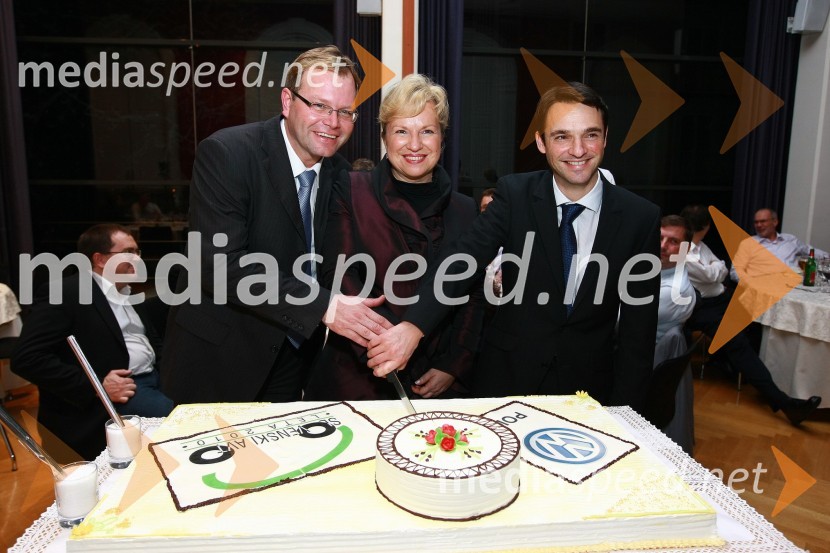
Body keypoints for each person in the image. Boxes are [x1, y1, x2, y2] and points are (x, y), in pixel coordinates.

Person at [366, 82, 661, 411]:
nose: (578, 150)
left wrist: (625, 417)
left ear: (605, 138)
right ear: (541, 142)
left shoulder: (641, 218)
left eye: (590, 135)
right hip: (505, 385)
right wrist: (414, 325)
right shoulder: (514, 195)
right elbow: (462, 262)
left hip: (590, 395)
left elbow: (639, 337)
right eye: (562, 136)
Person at [161, 46, 391, 404]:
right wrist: (324, 307)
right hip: (220, 357)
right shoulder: (228, 153)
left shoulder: (341, 175)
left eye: (345, 111)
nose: (332, 122)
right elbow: (218, 265)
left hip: (293, 353)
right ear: (287, 101)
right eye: (319, 105)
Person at [305, 75, 483, 401]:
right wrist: (390, 347)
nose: (414, 145)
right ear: (384, 136)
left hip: (437, 381)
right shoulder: (351, 189)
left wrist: (454, 365)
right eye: (402, 131)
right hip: (361, 373)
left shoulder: (465, 208)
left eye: (427, 131)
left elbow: (471, 295)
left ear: (443, 137)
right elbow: (341, 274)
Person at [13, 224, 174, 461]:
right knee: (176, 422)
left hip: (153, 380)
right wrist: (96, 386)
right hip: (117, 394)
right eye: (128, 252)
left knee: (201, 405)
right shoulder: (65, 293)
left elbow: (152, 344)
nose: (137, 259)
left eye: (138, 252)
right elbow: (26, 358)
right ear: (100, 259)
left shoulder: (130, 293)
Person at [680, 205, 822, 426]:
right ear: (706, 227)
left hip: (722, 299)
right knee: (739, 344)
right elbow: (713, 273)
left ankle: (731, 365)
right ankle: (784, 403)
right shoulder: (682, 250)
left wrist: (716, 269)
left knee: (757, 320)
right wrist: (716, 269)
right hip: (702, 308)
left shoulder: (701, 246)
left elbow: (721, 269)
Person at [730, 208, 827, 281]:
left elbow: (813, 252)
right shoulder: (748, 244)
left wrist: (827, 259)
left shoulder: (790, 240)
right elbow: (735, 272)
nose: (759, 225)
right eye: (756, 222)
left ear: (775, 222)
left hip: (795, 286)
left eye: (763, 221)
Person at [656, 216, 696, 343]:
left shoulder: (675, 291)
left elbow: (619, 321)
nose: (663, 246)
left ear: (687, 249)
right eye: (660, 238)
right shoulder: (656, 269)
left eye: (673, 241)